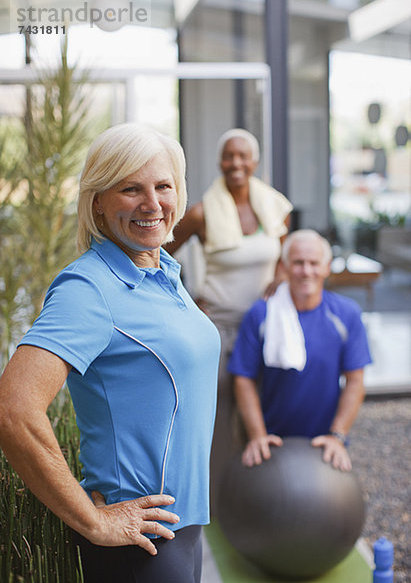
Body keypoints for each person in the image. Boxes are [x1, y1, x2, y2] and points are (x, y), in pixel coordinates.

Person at [0, 123, 221, 583]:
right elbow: (14, 410)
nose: (152, 203)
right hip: (141, 547)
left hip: (185, 531)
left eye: (163, 186)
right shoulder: (89, 288)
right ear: (97, 201)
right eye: (130, 188)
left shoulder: (163, 271)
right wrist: (94, 520)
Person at [165, 128, 293, 512]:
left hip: (264, 328)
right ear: (220, 162)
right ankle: (217, 499)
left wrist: (280, 277)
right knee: (218, 412)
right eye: (228, 156)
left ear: (255, 162)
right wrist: (186, 300)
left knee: (263, 407)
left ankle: (263, 490)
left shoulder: (273, 207)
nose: (236, 163)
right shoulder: (202, 213)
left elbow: (282, 256)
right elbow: (158, 254)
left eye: (243, 156)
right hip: (217, 328)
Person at [228, 229, 371, 472]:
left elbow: (355, 381)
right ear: (284, 266)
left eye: (314, 263)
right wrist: (257, 436)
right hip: (272, 441)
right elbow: (243, 379)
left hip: (324, 442)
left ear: (327, 267)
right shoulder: (261, 314)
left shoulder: (347, 314)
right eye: (298, 263)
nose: (306, 271)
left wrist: (338, 435)